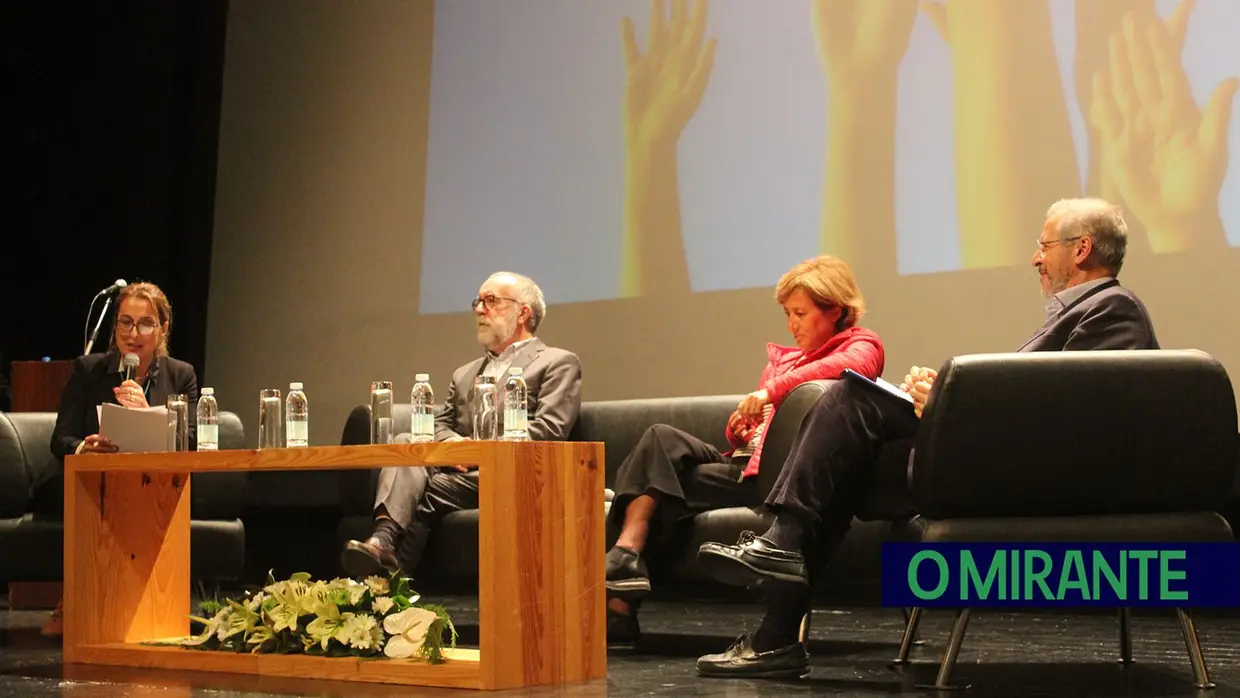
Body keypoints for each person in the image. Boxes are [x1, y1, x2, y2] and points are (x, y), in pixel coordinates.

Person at [694, 198, 1159, 679]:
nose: (1035, 258)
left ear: (1081, 249)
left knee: (852, 404)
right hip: (1004, 460)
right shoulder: (1081, 312)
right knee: (852, 434)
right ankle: (778, 604)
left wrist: (947, 402)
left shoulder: (1113, 309)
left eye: (1044, 245)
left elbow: (1074, 418)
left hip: (1038, 477)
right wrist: (942, 399)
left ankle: (780, 576)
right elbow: (1040, 400)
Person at [605, 255, 886, 646]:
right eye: (788, 314)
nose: (792, 325)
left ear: (835, 309)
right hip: (745, 468)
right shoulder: (784, 362)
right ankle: (625, 554)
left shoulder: (863, 344)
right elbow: (754, 435)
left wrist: (770, 391)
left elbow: (847, 368)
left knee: (656, 488)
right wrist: (740, 430)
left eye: (801, 314)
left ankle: (620, 602)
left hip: (783, 481)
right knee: (660, 441)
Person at [341, 271, 583, 579]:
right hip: (462, 472)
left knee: (431, 487)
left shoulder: (557, 362)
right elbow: (441, 424)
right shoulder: (465, 373)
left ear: (523, 312)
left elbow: (550, 429)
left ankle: (387, 563)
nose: (480, 310)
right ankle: (384, 553)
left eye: (491, 301)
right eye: (478, 302)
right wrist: (451, 446)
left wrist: (477, 451)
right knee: (407, 439)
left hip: (518, 471)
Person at [42, 281, 199, 637]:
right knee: (94, 488)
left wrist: (150, 415)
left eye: (145, 324)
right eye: (125, 323)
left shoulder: (180, 375)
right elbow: (60, 438)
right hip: (93, 476)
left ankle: (153, 605)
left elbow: (190, 441)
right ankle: (74, 600)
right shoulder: (88, 370)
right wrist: (86, 445)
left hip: (149, 479)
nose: (133, 334)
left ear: (163, 329)